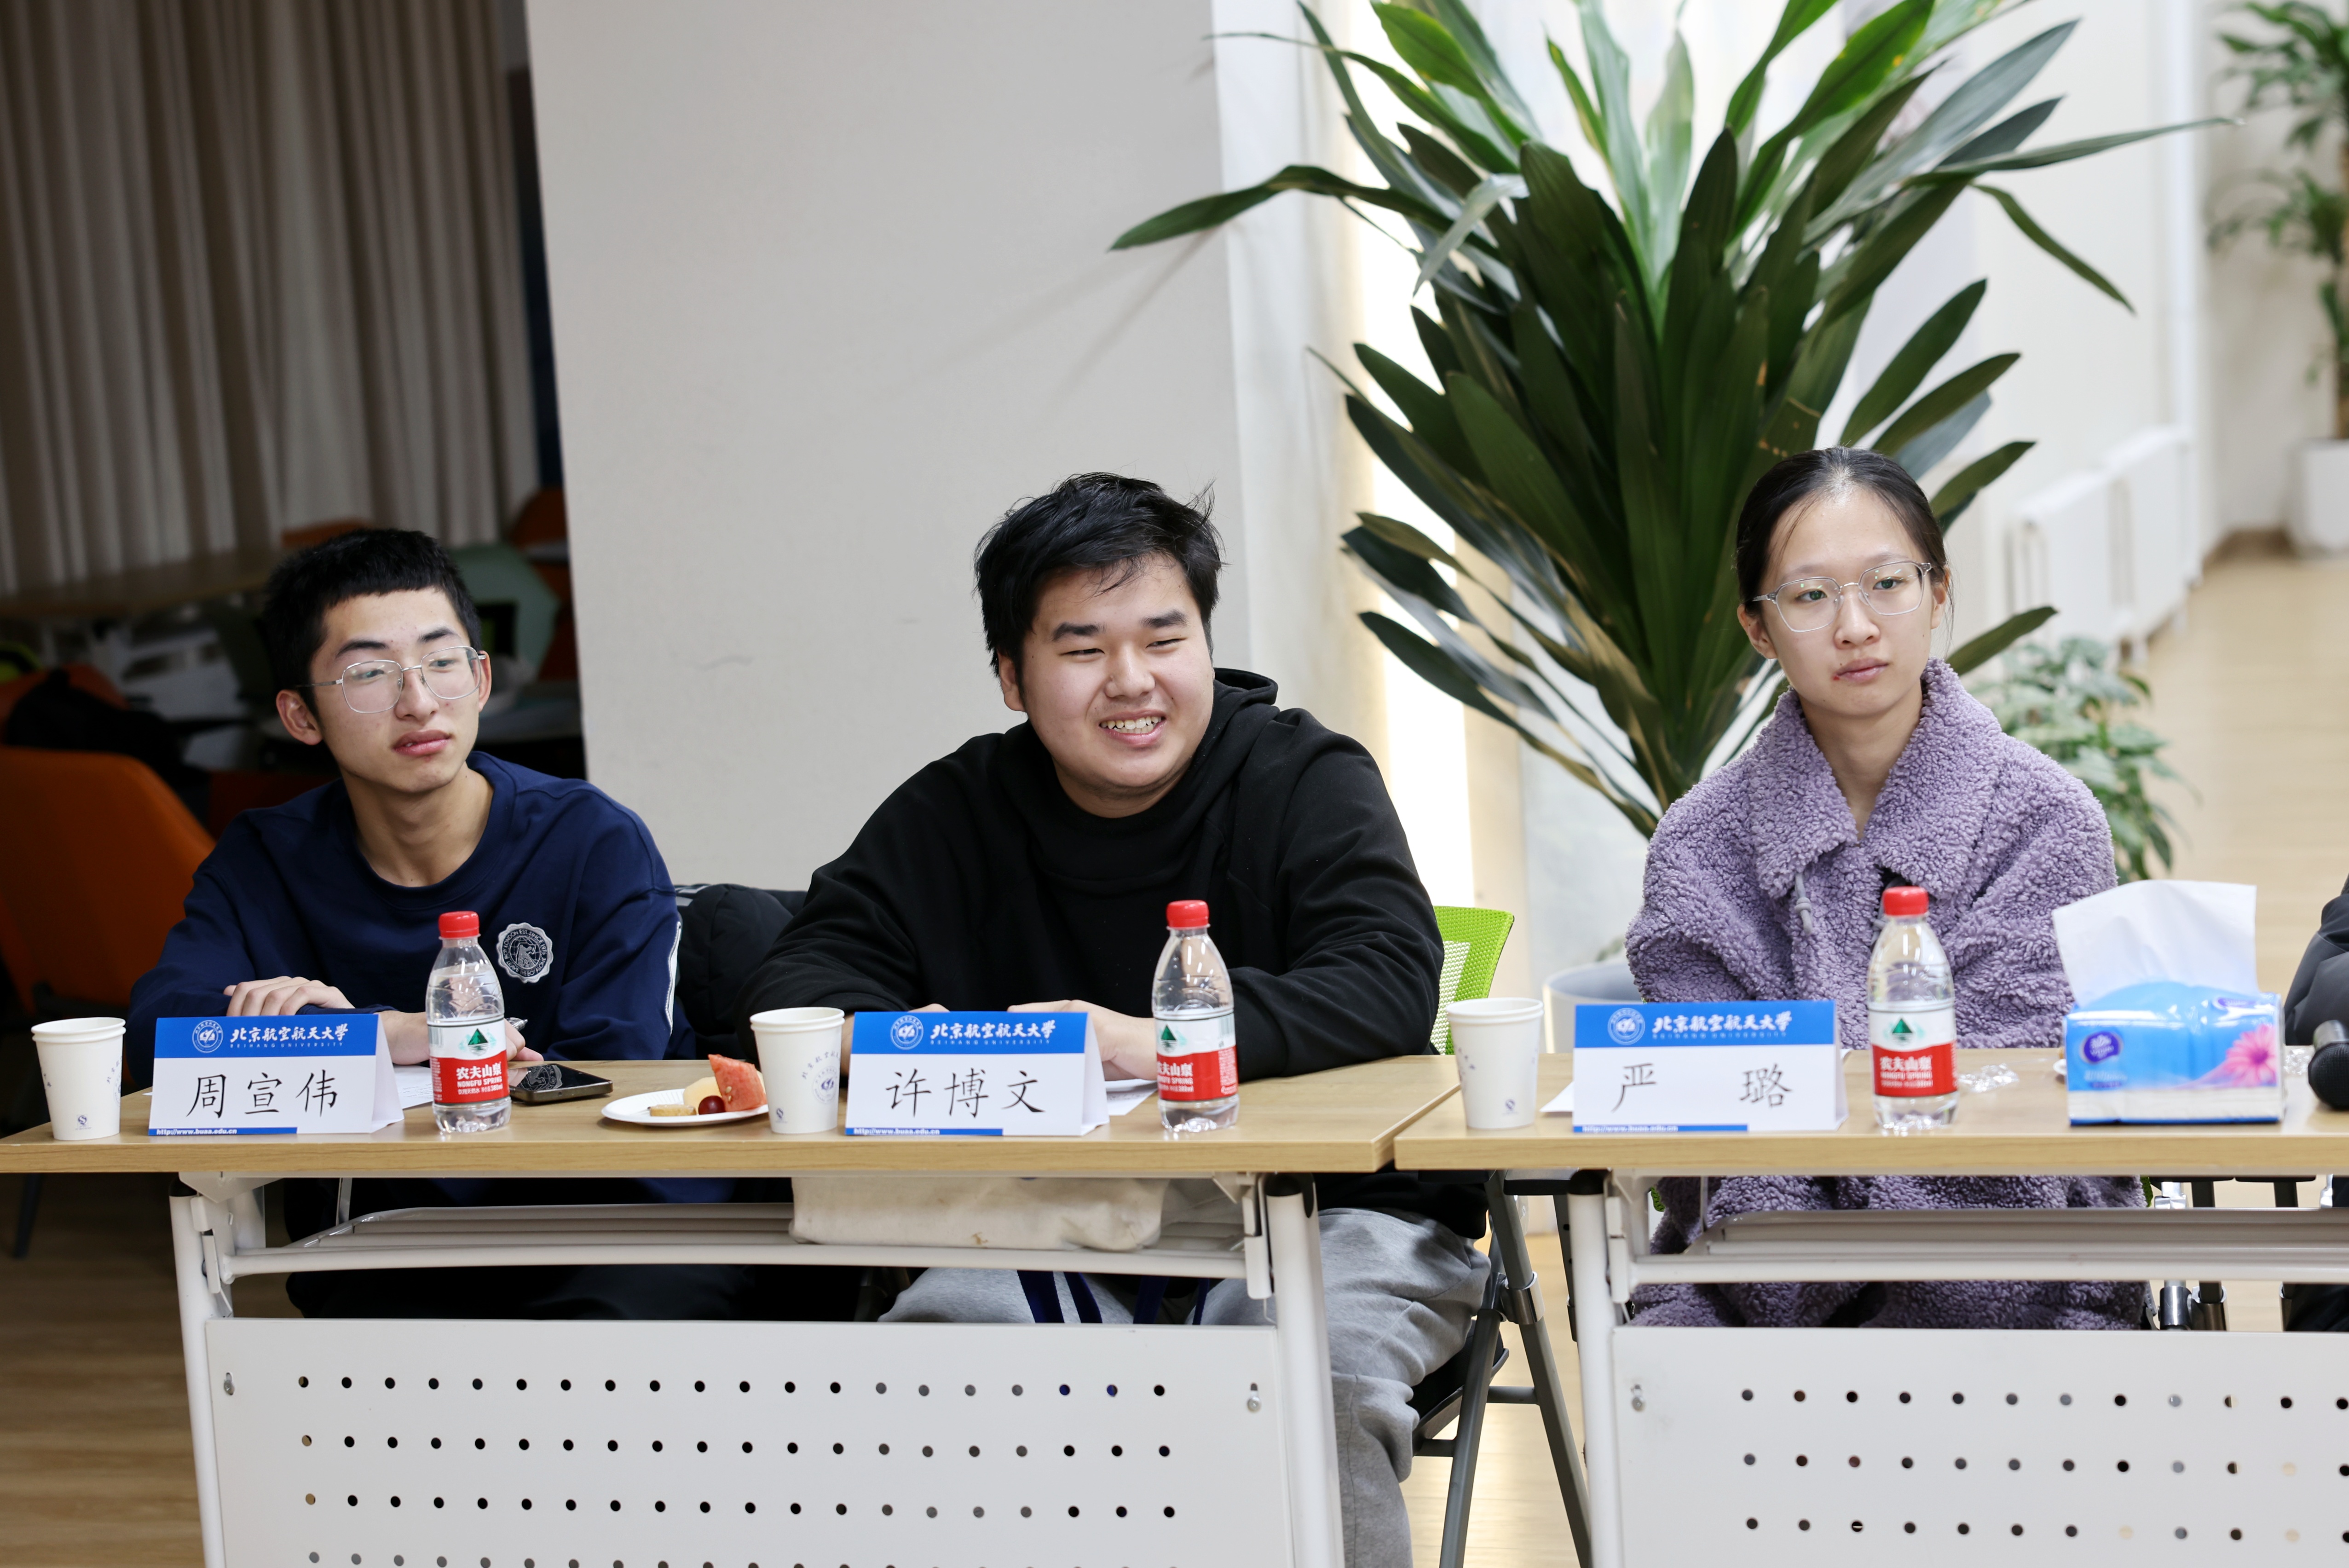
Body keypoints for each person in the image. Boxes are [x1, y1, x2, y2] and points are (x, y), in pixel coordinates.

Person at [733, 473, 1487, 1568]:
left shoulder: (1301, 775)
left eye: (1164, 640)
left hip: (1335, 1211)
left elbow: (1387, 979)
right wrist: (907, 1040)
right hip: (1054, 1213)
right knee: (952, 1349)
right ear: (1012, 676)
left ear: (1206, 645)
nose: (1131, 681)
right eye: (1083, 649)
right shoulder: (956, 807)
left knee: (1297, 1376)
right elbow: (800, 981)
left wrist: (1144, 1039)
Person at [126, 530, 828, 1320]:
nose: (419, 702)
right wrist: (383, 1035)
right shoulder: (265, 859)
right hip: (389, 1240)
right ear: (300, 715)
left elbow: (600, 1075)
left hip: (618, 1233)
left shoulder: (588, 839)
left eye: (441, 662)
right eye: (368, 674)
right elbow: (159, 1039)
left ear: (482, 678)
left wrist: (341, 1049)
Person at [1625, 447, 2142, 1331]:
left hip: (2024, 1268)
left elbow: (2016, 1109)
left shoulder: (2046, 821)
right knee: (1666, 1364)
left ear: (1937, 593)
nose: (1855, 626)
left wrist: (1819, 1113)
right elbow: (1708, 1147)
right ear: (1757, 628)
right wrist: (1816, 1230)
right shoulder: (1696, 847)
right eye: (1809, 596)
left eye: (1887, 583)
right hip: (1757, 1285)